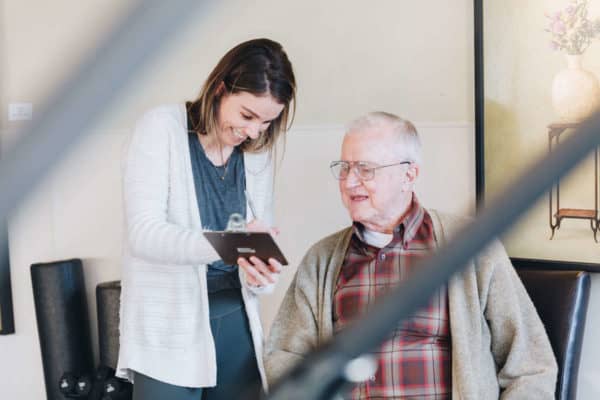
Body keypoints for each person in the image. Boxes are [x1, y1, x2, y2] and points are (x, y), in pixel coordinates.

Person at [265, 112, 557, 399]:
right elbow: (283, 357)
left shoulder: (471, 247)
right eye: (345, 167)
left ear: (409, 174)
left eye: (365, 169)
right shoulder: (322, 260)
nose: (350, 181)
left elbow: (531, 368)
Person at [116, 38, 296, 400]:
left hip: (234, 322)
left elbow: (253, 256)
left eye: (267, 121)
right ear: (220, 88)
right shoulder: (161, 128)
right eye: (246, 115)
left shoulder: (255, 153)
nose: (254, 131)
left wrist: (260, 269)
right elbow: (144, 234)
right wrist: (230, 244)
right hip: (167, 330)